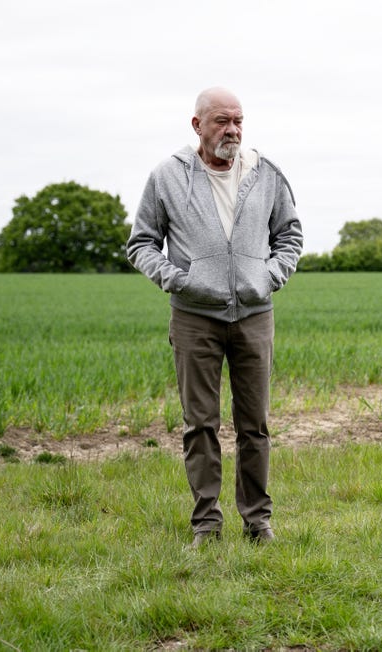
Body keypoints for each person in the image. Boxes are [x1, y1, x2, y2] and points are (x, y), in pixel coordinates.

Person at [127, 88, 303, 548]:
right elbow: (141, 243)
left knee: (255, 425)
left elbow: (289, 236)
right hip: (194, 318)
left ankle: (258, 522)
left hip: (254, 314)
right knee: (200, 425)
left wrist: (269, 277)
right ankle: (207, 524)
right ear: (197, 125)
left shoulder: (267, 174)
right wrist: (177, 280)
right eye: (222, 121)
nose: (233, 130)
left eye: (239, 121)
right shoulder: (167, 176)